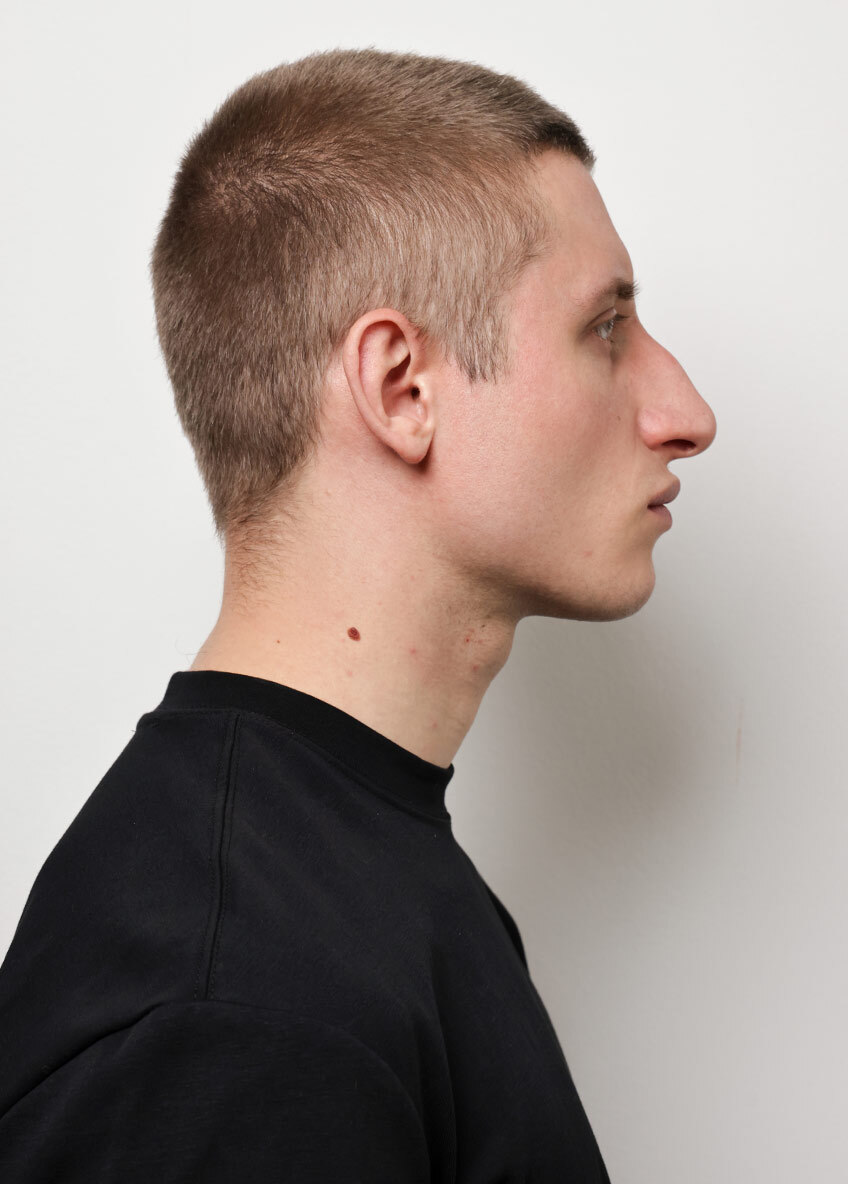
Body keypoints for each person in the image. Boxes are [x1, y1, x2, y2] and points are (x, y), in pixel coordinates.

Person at [0, 46, 716, 1182]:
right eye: (604, 326)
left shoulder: (346, 877)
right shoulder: (235, 1016)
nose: (686, 413)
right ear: (400, 388)